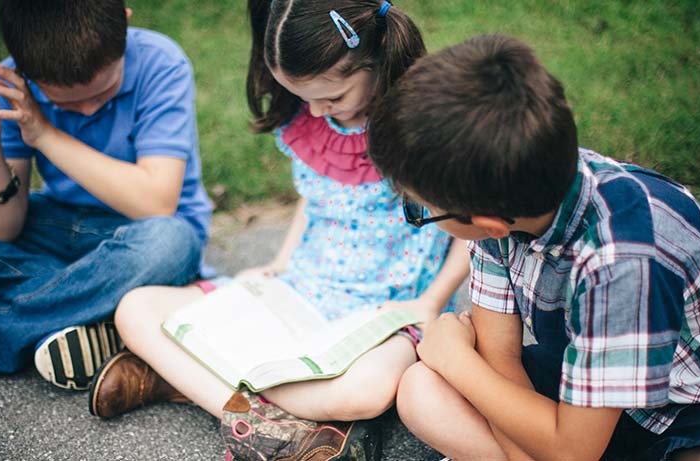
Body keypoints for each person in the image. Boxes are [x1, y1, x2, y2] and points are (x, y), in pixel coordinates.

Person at [88, 1, 469, 459]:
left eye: (333, 97)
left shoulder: (426, 125)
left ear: (377, 56)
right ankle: (273, 426)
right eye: (304, 97)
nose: (316, 110)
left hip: (388, 310)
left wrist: (430, 303)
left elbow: (472, 229)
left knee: (368, 390)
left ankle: (188, 381)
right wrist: (280, 262)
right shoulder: (313, 119)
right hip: (300, 289)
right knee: (136, 309)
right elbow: (317, 196)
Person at [366, 34, 700, 461]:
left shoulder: (623, 259)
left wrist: (454, 359)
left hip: (693, 406)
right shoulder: (510, 188)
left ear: (487, 224)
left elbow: (573, 450)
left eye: (424, 211)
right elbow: (500, 358)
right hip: (584, 387)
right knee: (421, 390)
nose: (423, 214)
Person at [0, 0, 212, 392]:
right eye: (65, 103)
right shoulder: (12, 84)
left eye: (103, 91)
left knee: (169, 242)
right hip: (62, 228)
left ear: (124, 25)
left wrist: (45, 134)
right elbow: (2, 229)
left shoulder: (161, 64)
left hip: (144, 237)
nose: (87, 111)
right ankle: (98, 308)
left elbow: (155, 204)